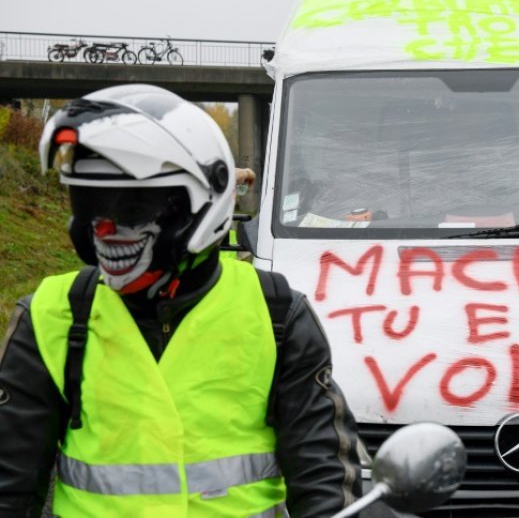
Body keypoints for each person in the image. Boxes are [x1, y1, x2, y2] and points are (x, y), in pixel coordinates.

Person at [0, 84, 362, 517]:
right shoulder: (51, 315)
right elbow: (8, 486)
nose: (106, 228)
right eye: (92, 202)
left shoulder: (276, 315)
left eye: (133, 205)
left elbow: (324, 485)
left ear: (201, 201)